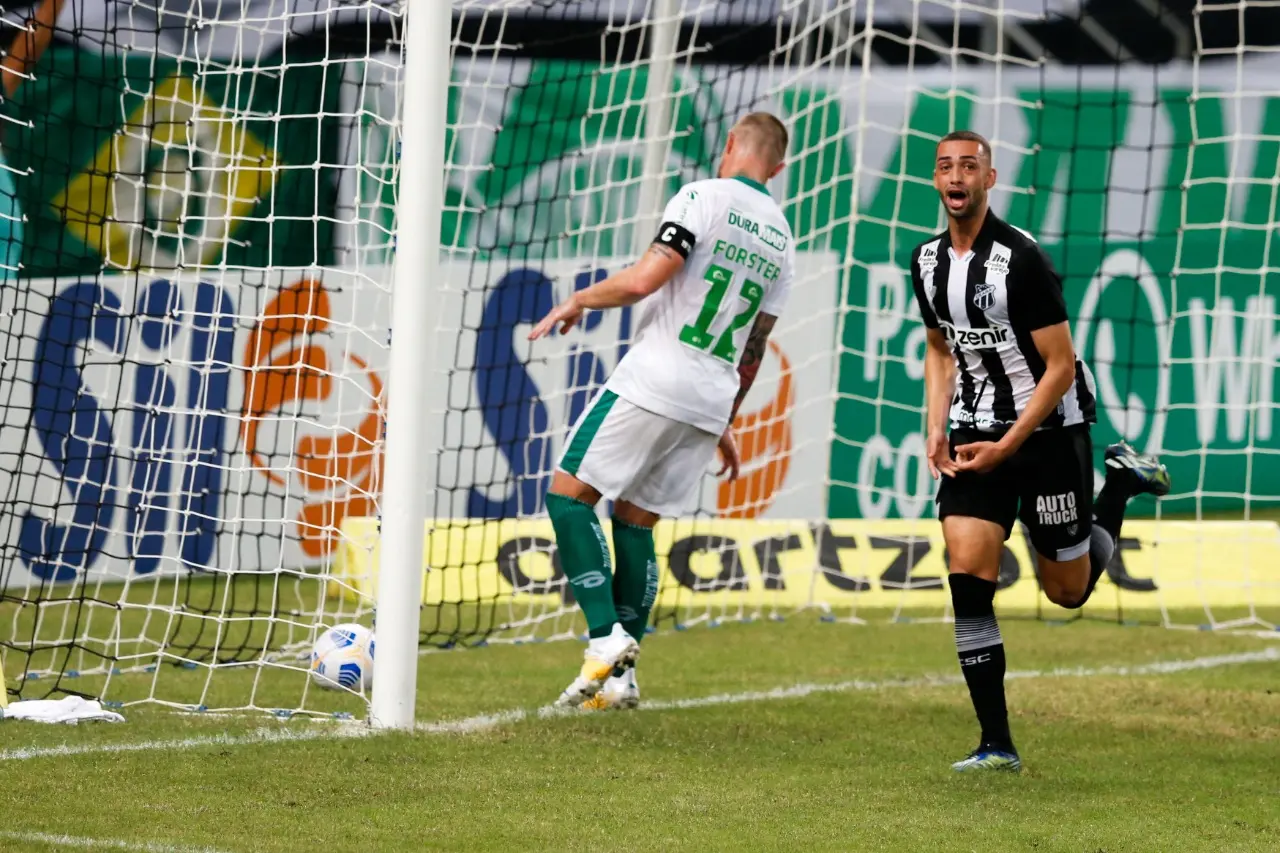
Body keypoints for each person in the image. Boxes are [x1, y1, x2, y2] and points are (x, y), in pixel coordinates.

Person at [910, 130, 1171, 771]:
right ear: (936, 180)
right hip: (974, 428)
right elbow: (940, 348)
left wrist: (1009, 445)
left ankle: (1120, 484)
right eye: (945, 167)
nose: (956, 177)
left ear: (989, 179)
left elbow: (1058, 366)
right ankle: (996, 744)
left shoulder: (1022, 260)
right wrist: (935, 425)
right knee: (968, 573)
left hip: (1050, 431)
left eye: (968, 166)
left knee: (1068, 593)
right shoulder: (925, 262)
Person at [527, 112, 795, 709]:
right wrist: (724, 419)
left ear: (730, 144)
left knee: (569, 498)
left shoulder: (701, 197)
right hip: (711, 396)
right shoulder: (784, 238)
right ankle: (620, 682)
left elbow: (645, 280)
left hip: (657, 376)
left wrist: (579, 299)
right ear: (777, 168)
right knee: (635, 522)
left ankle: (605, 639)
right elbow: (754, 346)